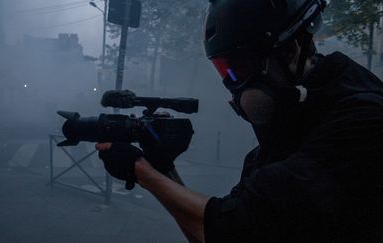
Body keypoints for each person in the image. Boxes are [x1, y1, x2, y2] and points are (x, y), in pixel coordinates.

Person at [96, 0, 383, 242]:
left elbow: (231, 232)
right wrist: (163, 167)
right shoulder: (295, 119)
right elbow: (215, 224)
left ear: (292, 50)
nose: (234, 85)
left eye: (241, 67)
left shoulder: (363, 122)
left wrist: (143, 172)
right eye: (225, 71)